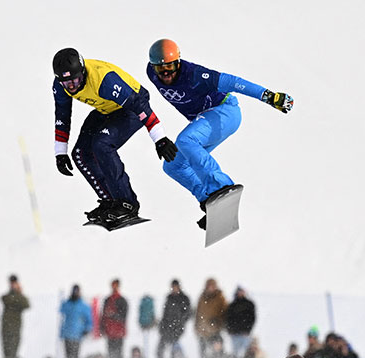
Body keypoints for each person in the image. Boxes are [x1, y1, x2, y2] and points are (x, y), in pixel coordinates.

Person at [146, 39, 293, 229]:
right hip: (206, 118)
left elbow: (232, 82)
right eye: (160, 69)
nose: (166, 74)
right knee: (173, 166)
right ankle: (208, 201)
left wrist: (268, 96)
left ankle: (221, 187)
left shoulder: (194, 75)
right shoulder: (151, 73)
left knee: (186, 140)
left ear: (179, 62)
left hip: (225, 112)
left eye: (171, 67)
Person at [52, 47, 178, 227]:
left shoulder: (104, 81)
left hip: (132, 107)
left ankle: (127, 204)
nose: (72, 87)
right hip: (107, 109)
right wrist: (60, 152)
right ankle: (111, 201)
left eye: (76, 80)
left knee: (101, 145)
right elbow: (62, 116)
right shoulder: (60, 85)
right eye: (67, 84)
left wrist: (160, 139)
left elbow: (139, 106)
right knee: (80, 154)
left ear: (83, 72)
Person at [156, 279, 192, 358]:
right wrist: (162, 326)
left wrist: (179, 323)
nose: (174, 288)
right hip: (166, 329)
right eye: (173, 287)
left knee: (175, 351)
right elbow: (165, 314)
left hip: (177, 329)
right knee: (159, 351)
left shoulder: (184, 298)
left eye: (176, 287)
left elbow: (188, 314)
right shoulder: (169, 298)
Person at [59, 284, 92, 358]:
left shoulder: (83, 305)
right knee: (68, 355)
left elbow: (89, 319)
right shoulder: (67, 304)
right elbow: (61, 313)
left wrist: (87, 329)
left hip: (77, 334)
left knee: (75, 355)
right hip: (67, 334)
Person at [1, 275, 30, 358]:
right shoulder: (7, 296)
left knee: (14, 348)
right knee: (6, 349)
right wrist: (15, 297)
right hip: (6, 327)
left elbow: (26, 304)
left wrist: (19, 293)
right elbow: (4, 299)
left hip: (15, 327)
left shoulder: (19, 296)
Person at [194, 278, 227, 358]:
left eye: (212, 286)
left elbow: (225, 312)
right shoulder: (202, 297)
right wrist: (196, 327)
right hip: (203, 331)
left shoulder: (220, 297)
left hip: (215, 331)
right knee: (203, 354)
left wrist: (218, 321)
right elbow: (198, 313)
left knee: (218, 352)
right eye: (208, 286)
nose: (210, 288)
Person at [99, 278, 128, 358]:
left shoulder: (122, 300)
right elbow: (103, 316)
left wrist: (113, 315)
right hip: (110, 332)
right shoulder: (107, 300)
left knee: (118, 354)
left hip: (118, 332)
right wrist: (102, 328)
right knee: (110, 353)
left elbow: (123, 316)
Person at [225, 286, 256, 358]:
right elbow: (228, 319)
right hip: (234, 334)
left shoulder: (249, 304)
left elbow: (252, 318)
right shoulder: (232, 305)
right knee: (235, 354)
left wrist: (248, 330)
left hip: (245, 333)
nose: (240, 293)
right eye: (239, 292)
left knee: (246, 353)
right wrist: (230, 330)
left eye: (242, 292)